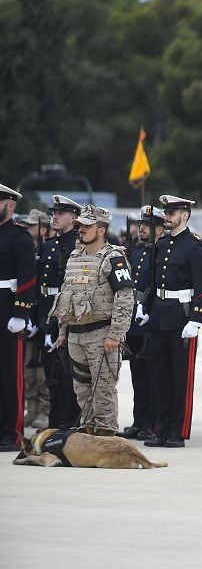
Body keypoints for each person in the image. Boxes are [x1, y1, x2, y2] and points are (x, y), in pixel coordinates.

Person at [51, 206, 133, 435]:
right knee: (82, 390)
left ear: (102, 230)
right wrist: (63, 331)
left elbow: (125, 297)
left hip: (101, 334)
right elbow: (66, 295)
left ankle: (107, 437)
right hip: (76, 335)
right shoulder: (75, 257)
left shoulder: (113, 258)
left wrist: (116, 334)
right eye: (80, 225)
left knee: (104, 390)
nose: (81, 230)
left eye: (87, 226)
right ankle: (88, 437)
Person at [143, 195, 202, 448]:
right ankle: (161, 428)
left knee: (180, 377)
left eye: (172, 213)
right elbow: (153, 282)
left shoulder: (195, 246)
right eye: (166, 212)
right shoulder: (161, 245)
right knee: (159, 376)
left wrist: (196, 319)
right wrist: (145, 307)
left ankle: (177, 431)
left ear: (185, 215)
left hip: (181, 317)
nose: (167, 217)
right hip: (159, 315)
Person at [119, 206, 165, 440]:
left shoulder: (161, 253)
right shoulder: (136, 254)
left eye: (146, 225)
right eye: (140, 224)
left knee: (153, 376)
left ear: (159, 228)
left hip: (152, 322)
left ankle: (152, 422)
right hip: (135, 324)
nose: (141, 228)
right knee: (138, 375)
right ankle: (139, 420)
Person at [40, 195, 83, 429]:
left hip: (67, 317)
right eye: (54, 212)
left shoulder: (77, 246)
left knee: (68, 376)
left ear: (74, 218)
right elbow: (41, 289)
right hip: (48, 315)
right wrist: (39, 321)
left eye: (61, 213)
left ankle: (69, 424)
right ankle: (54, 423)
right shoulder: (49, 245)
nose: (54, 216)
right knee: (51, 376)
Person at [0, 184, 37, 452]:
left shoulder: (19, 237)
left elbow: (28, 279)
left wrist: (20, 313)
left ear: (10, 205)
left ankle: (12, 432)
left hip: (8, 314)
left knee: (10, 376)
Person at [23, 209, 51, 429]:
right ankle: (31, 407)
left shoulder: (49, 250)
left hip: (44, 313)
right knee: (29, 366)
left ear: (43, 228)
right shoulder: (28, 249)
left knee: (42, 367)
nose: (28, 229)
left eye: (32, 226)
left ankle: (43, 408)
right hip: (29, 311)